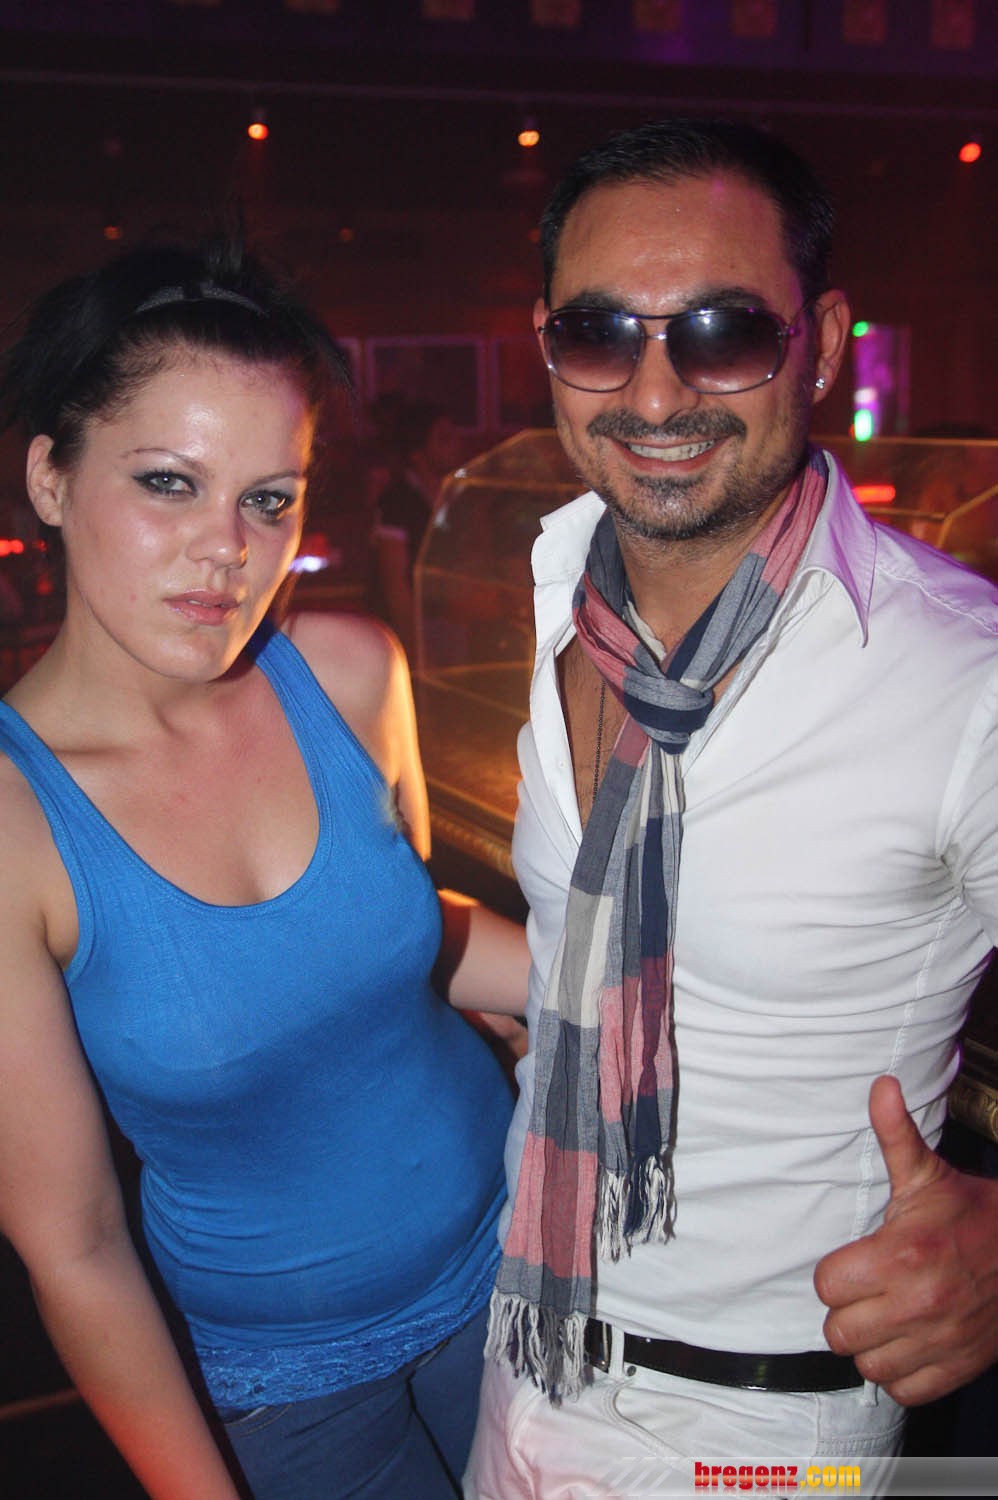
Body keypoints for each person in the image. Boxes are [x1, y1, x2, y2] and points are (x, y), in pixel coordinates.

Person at [464, 118, 998, 1495]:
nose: (654, 392)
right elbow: (610, 951)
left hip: (761, 1435)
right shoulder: (561, 595)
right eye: (599, 332)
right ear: (546, 347)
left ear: (818, 345)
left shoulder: (960, 679)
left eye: (720, 332)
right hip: (519, 1361)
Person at [0, 237, 528, 1500]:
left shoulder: (348, 673)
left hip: (522, 1258)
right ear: (51, 478)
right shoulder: (17, 827)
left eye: (268, 499)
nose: (225, 550)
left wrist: (624, 983)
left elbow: (398, 925)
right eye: (168, 483)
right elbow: (74, 1244)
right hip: (294, 1387)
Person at [369, 399, 462, 658]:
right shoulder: (397, 501)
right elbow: (395, 584)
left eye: (454, 436)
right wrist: (414, 646)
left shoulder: (455, 495)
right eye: (443, 439)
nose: (455, 445)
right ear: (417, 453)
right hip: (409, 631)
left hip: (449, 621)